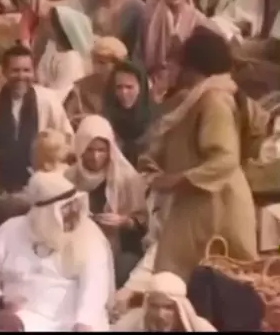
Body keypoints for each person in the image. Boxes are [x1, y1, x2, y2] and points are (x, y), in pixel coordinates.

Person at [142, 27, 269, 281]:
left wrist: (175, 180)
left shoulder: (214, 101)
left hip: (215, 203)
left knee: (175, 278)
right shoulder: (196, 98)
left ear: (193, 68)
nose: (172, 68)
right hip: (202, 201)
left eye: (178, 62)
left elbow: (225, 159)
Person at [0, 170, 114, 332]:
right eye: (65, 208)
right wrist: (0, 300)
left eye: (73, 205)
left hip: (73, 321)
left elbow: (95, 286)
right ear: (46, 212)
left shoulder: (88, 235)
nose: (72, 213)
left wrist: (84, 321)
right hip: (23, 318)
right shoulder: (10, 230)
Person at [0, 45, 73, 193]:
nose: (21, 76)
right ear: (4, 71)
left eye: (26, 70)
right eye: (15, 70)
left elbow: (66, 140)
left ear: (33, 71)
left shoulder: (48, 100)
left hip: (39, 185)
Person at [67, 114, 147, 287]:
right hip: (75, 248)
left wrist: (124, 221)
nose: (95, 157)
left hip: (115, 251)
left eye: (101, 150)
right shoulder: (69, 178)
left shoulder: (126, 178)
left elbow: (144, 221)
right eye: (90, 150)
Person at [114, 271, 216, 332]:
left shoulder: (201, 328)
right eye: (154, 306)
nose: (160, 315)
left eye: (168, 307)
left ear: (180, 309)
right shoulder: (129, 324)